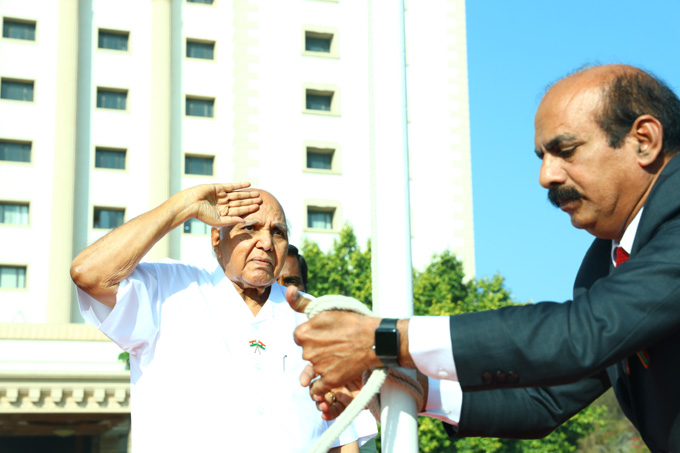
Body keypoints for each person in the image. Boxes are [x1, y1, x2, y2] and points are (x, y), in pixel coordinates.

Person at [287, 64, 680, 452]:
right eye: (542, 155)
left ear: (644, 139)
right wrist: (416, 388)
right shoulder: (605, 262)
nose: (547, 176)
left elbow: (580, 333)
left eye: (565, 150)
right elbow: (545, 399)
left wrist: (384, 338)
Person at [70, 183, 364, 452]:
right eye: (250, 227)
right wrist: (183, 205)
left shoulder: (316, 317)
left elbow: (343, 436)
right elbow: (88, 273)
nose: (265, 243)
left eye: (278, 232)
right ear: (216, 237)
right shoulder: (170, 289)